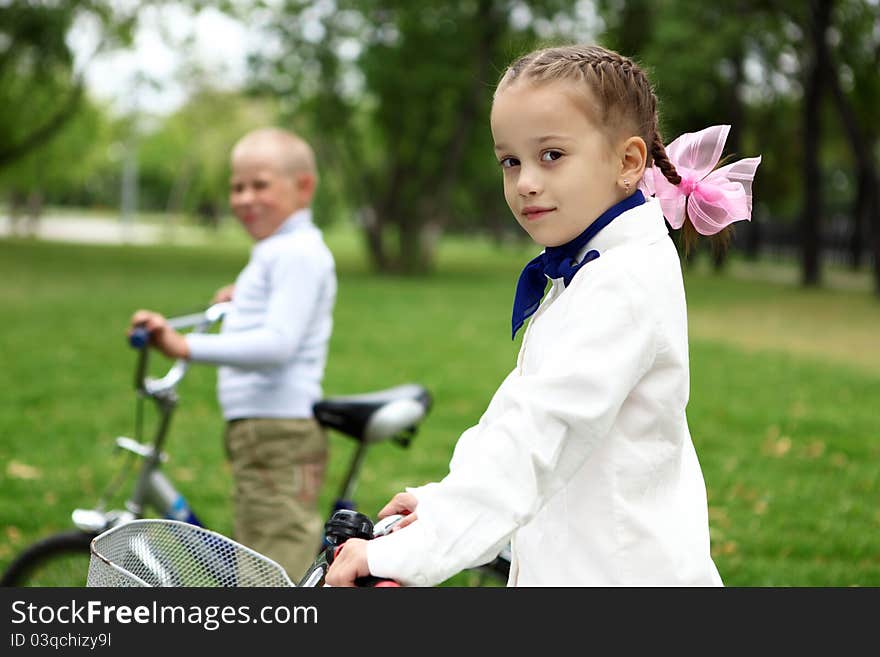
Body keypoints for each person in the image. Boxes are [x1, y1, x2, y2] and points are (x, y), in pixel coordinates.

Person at [326, 44, 759, 587]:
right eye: (511, 161)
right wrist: (440, 506)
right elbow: (520, 406)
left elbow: (540, 433)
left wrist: (405, 556)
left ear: (627, 162)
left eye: (551, 155)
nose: (526, 181)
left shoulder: (621, 281)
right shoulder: (594, 265)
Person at [129, 127, 337, 579]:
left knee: (271, 571)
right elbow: (275, 311)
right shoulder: (280, 250)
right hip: (264, 431)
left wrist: (185, 346)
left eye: (259, 185)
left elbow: (279, 343)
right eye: (237, 186)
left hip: (277, 432)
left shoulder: (296, 253)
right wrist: (242, 299)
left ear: (303, 187)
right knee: (258, 554)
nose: (244, 198)